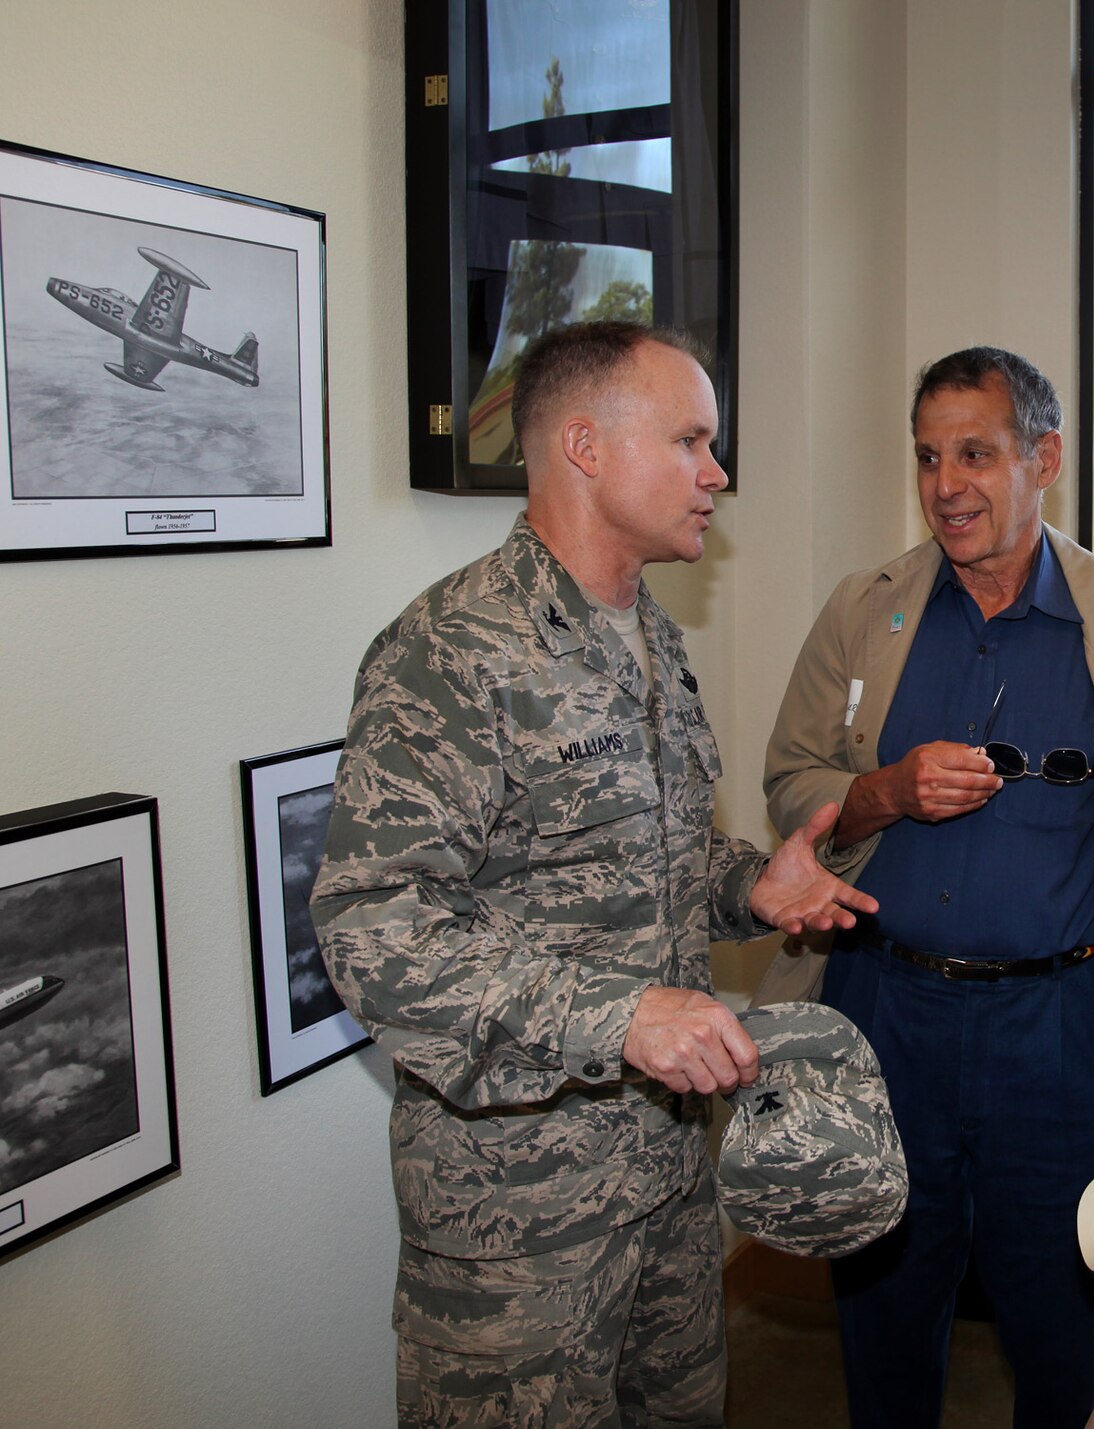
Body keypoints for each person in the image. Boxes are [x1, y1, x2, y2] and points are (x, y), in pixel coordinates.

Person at [310, 322, 876, 1427]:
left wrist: (747, 890)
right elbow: (373, 927)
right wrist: (619, 1016)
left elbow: (639, 861)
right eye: (690, 441)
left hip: (665, 1178)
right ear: (583, 445)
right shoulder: (453, 650)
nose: (716, 473)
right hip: (518, 1224)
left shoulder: (650, 641)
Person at [761, 345, 1094, 1429]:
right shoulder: (862, 613)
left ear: (1042, 457)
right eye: (927, 457)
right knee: (881, 1303)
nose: (945, 485)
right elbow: (790, 786)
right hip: (887, 1016)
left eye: (974, 453)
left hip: (1055, 1031)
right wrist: (882, 792)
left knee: (1058, 1317)